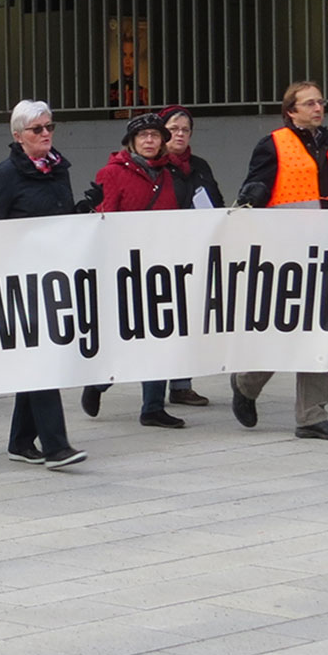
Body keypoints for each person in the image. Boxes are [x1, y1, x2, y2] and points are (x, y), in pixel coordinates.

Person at [229, 81, 328, 441]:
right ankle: (246, 383)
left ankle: (311, 416)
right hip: (284, 255)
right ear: (291, 111)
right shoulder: (273, 144)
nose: (319, 107)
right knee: (286, 330)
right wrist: (252, 193)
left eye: (321, 102)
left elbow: (323, 200)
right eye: (310, 103)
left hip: (323, 253)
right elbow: (257, 190)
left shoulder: (326, 150)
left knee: (319, 332)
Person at [0, 100, 88, 470]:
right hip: (19, 281)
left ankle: (21, 441)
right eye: (37, 129)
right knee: (42, 361)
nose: (45, 134)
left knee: (38, 359)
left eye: (49, 127)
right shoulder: (6, 174)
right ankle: (56, 445)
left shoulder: (58, 170)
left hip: (54, 277)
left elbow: (61, 221)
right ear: (18, 135)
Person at [80, 113, 192, 429]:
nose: (149, 141)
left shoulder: (170, 175)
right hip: (125, 267)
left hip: (160, 265)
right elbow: (103, 220)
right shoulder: (111, 173)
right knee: (128, 337)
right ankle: (99, 382)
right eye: (142, 136)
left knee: (159, 335)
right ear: (132, 142)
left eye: (154, 136)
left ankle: (153, 407)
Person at [153, 105, 220, 408]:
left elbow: (215, 201)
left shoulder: (200, 165)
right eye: (173, 129)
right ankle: (101, 383)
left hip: (192, 252)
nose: (179, 135)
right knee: (158, 322)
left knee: (187, 320)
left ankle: (181, 385)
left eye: (185, 130)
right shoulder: (153, 165)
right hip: (158, 253)